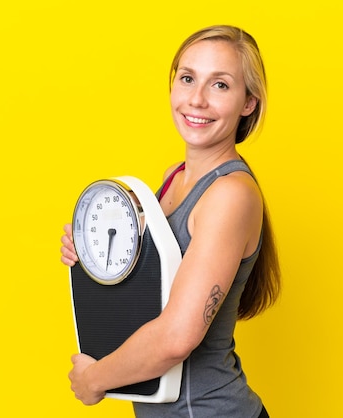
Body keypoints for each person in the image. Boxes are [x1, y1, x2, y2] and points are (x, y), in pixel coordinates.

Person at [60, 24, 280, 418]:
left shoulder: (230, 195)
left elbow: (177, 337)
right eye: (188, 78)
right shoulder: (172, 180)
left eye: (221, 85)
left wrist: (95, 380)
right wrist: (93, 253)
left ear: (249, 102)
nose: (196, 100)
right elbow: (148, 293)